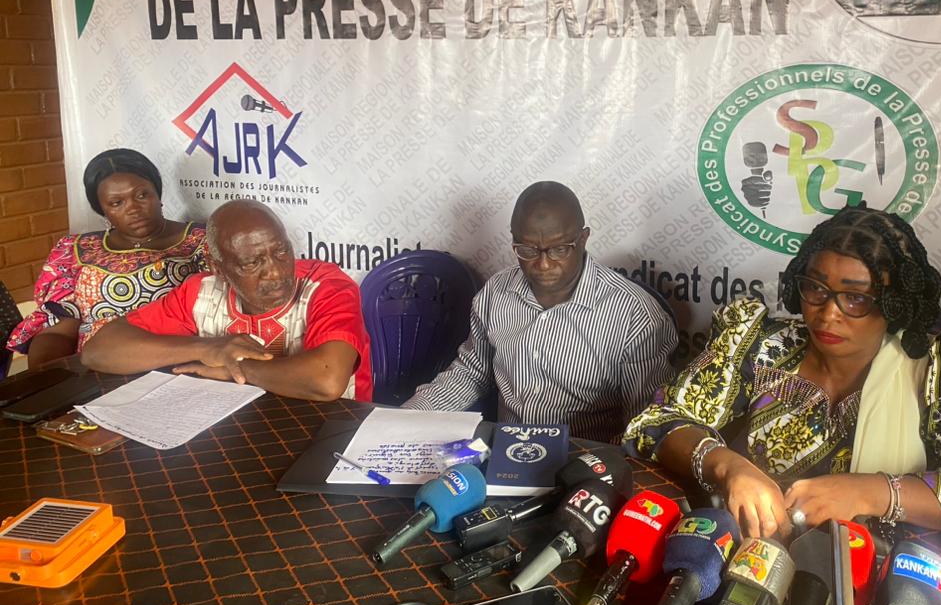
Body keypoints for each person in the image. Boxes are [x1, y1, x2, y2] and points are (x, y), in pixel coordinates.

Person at [624, 205, 941, 605]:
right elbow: (661, 419)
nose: (828, 314)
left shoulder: (940, 371)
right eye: (816, 288)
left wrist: (872, 492)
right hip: (749, 573)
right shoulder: (760, 345)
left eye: (856, 298)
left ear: (895, 303)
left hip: (887, 591)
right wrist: (728, 466)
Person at [403, 181, 678, 442]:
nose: (543, 264)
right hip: (506, 454)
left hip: (587, 460)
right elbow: (471, 374)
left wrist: (597, 464)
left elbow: (646, 424)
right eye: (527, 250)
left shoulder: (635, 315)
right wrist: (403, 421)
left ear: (583, 239)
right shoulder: (496, 293)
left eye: (559, 249)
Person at [81, 199, 372, 402]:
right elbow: (99, 351)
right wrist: (208, 348)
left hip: (331, 428)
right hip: (237, 423)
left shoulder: (326, 286)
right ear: (218, 269)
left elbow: (326, 380)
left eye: (282, 251)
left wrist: (233, 369)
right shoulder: (200, 292)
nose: (275, 272)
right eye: (252, 263)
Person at [7, 148, 207, 368]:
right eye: (116, 203)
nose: (133, 209)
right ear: (102, 210)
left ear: (157, 193)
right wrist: (50, 377)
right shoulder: (75, 250)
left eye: (142, 195)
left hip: (174, 363)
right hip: (93, 369)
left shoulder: (202, 241)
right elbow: (59, 331)